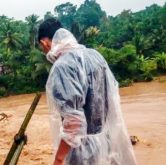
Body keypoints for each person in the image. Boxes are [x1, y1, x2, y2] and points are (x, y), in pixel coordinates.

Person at [38, 18, 137, 165]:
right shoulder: (95, 56)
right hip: (106, 143)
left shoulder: (63, 66)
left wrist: (59, 159)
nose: (44, 51)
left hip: (82, 151)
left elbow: (74, 122)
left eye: (42, 47)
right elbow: (112, 101)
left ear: (44, 42)